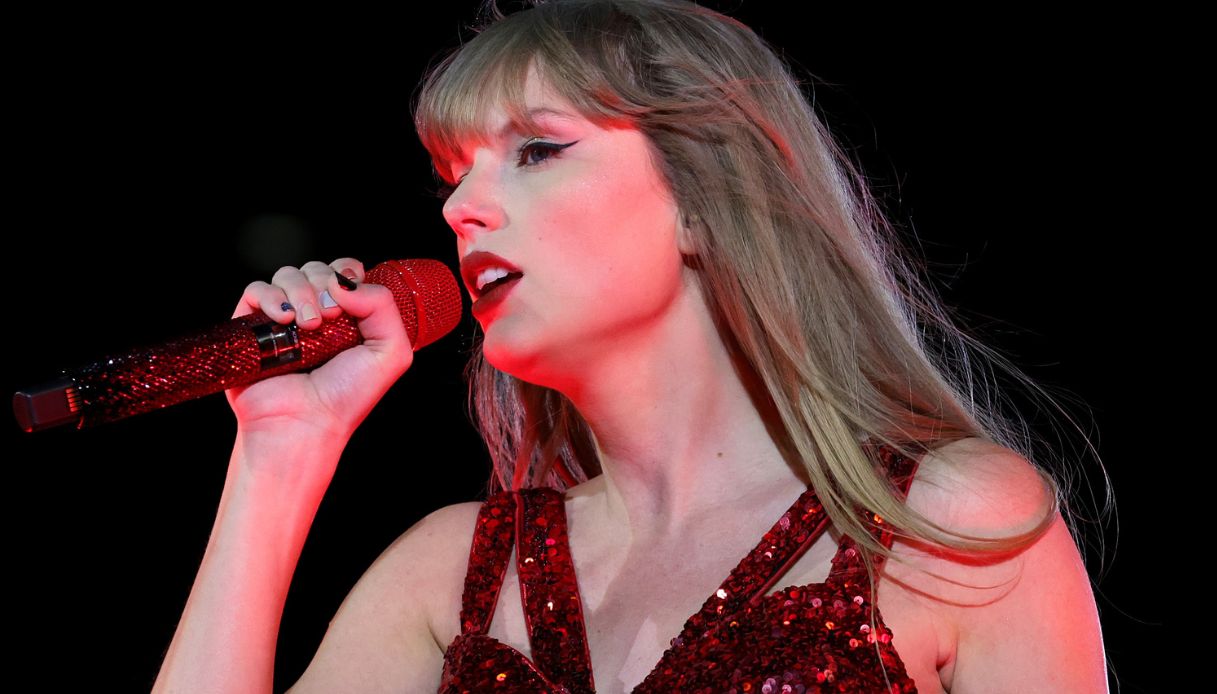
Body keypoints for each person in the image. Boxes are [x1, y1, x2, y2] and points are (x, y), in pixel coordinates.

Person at [152, 1, 1110, 692]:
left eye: (537, 150)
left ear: (703, 201)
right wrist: (279, 454)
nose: (459, 208)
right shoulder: (446, 576)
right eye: (451, 175)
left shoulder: (949, 527)